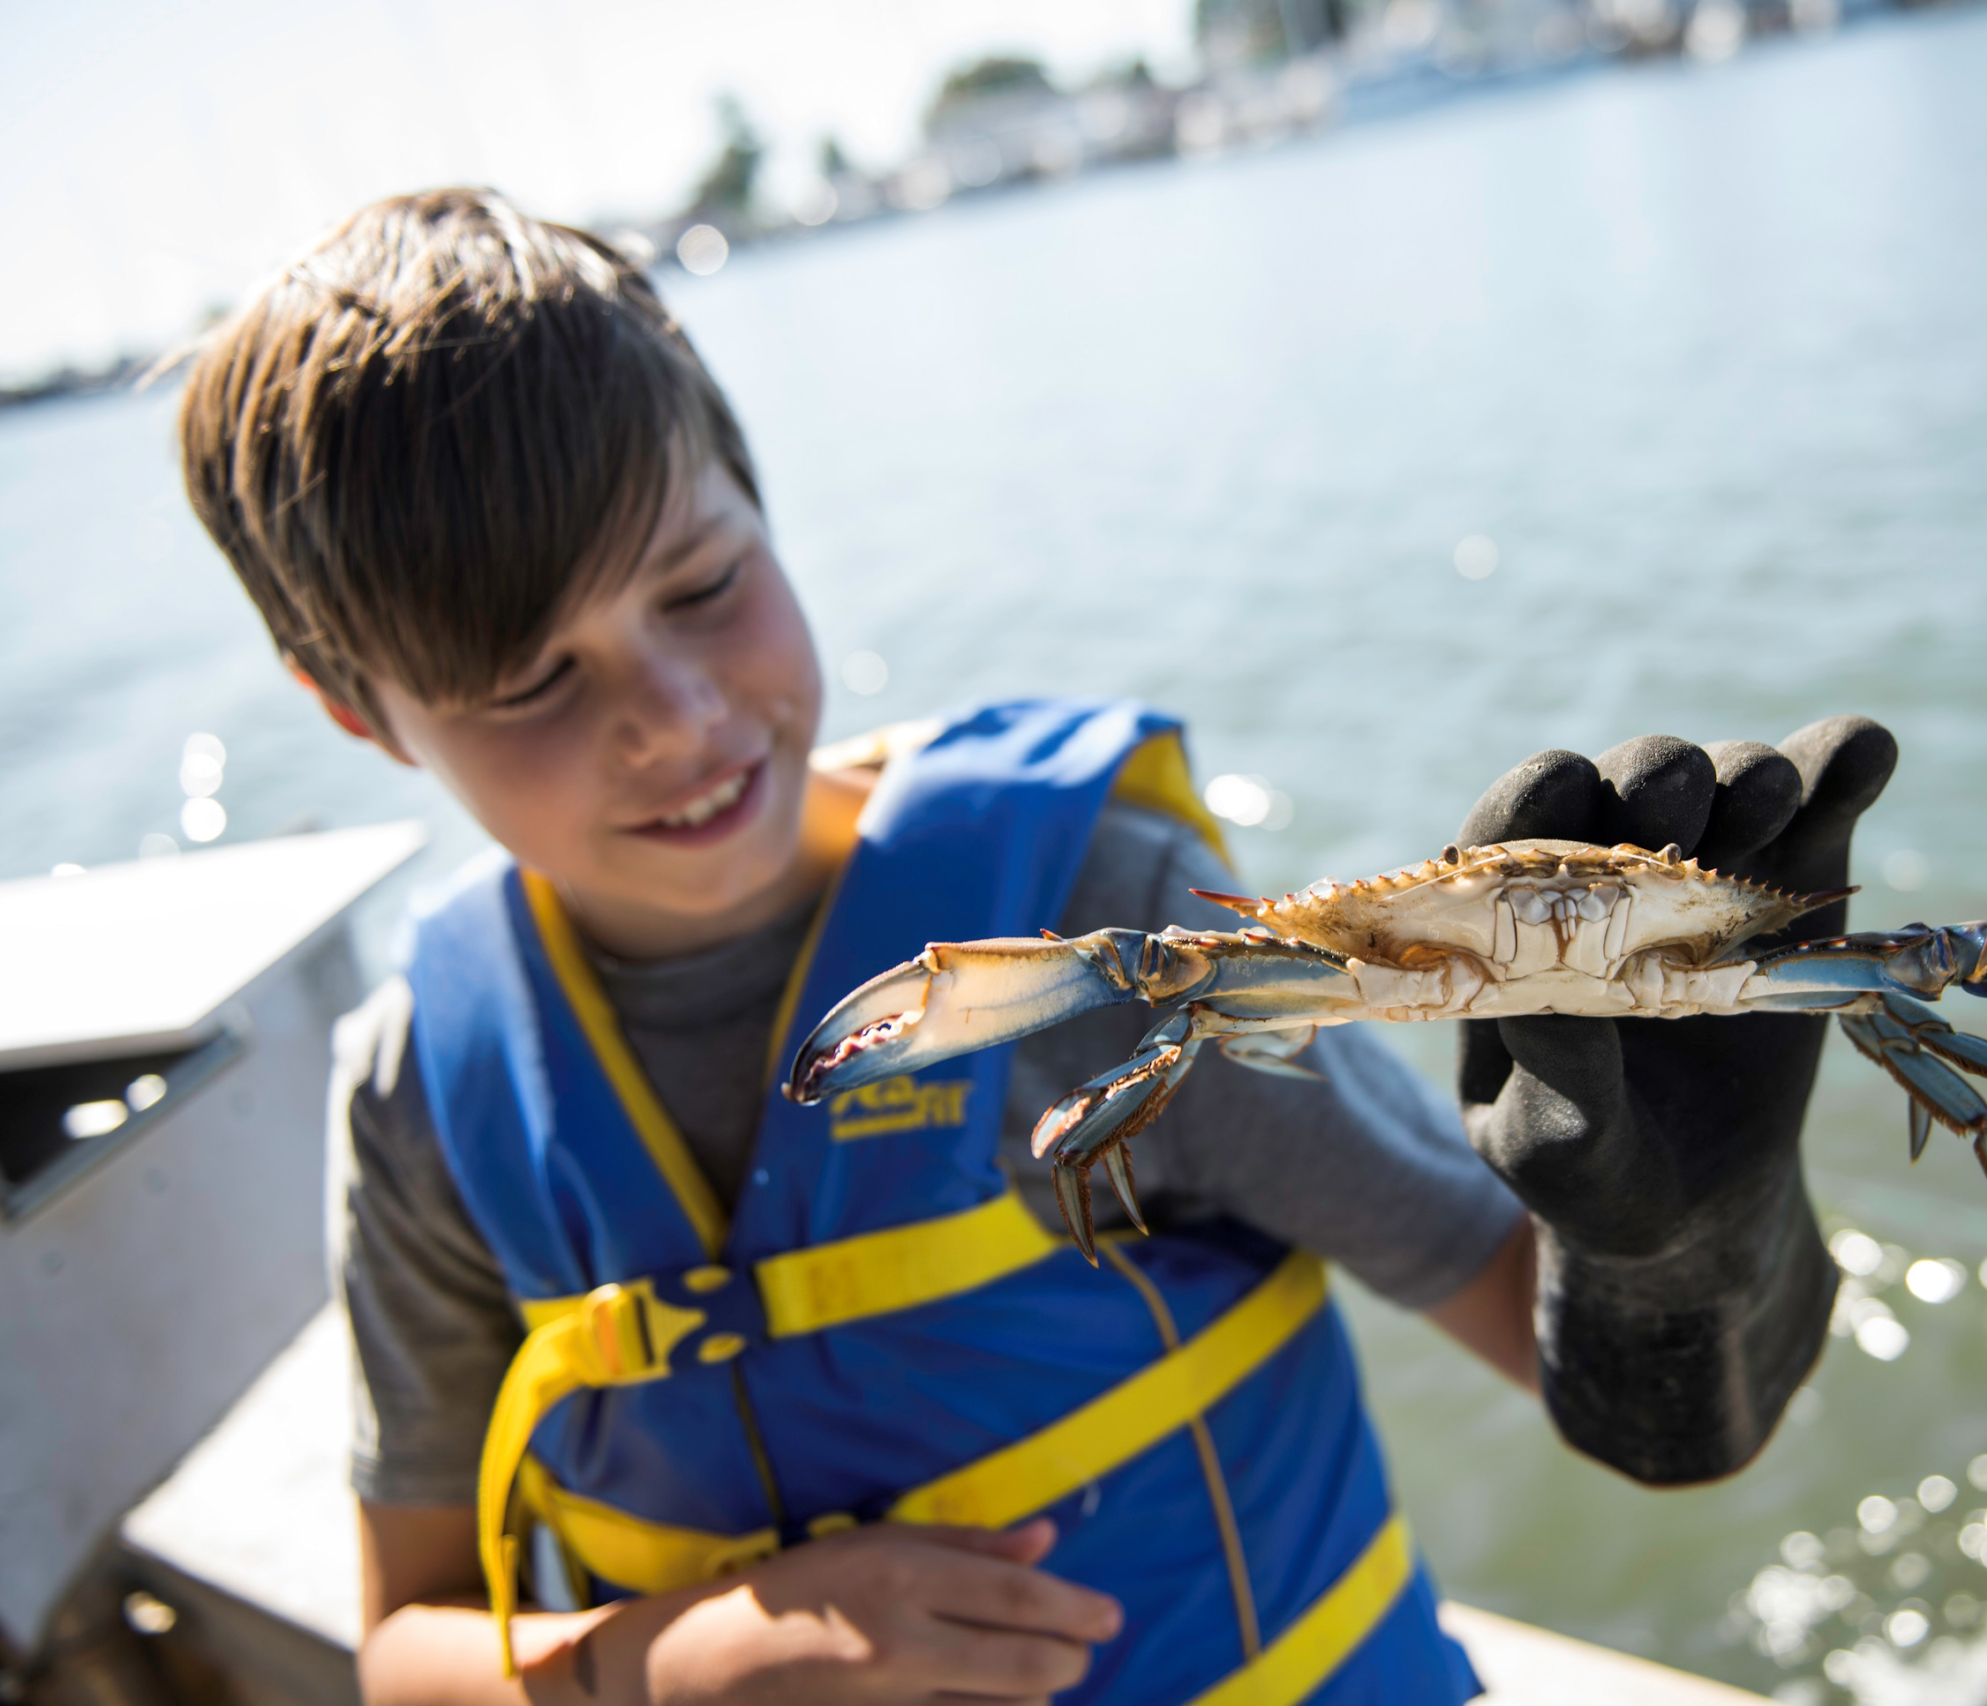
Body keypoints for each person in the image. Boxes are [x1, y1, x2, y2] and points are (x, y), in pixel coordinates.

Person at [177, 188, 1895, 1706]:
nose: (676, 718)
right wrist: (666, 1661)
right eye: (535, 684)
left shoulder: (1095, 936)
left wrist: (1678, 1251)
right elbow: (408, 1634)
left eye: (703, 585)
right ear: (361, 713)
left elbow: (1629, 1400)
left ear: (762, 507)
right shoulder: (423, 1097)